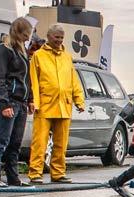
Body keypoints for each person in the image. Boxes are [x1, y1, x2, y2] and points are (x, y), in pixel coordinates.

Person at [28, 24, 85, 184]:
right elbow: (33, 80)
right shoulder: (38, 56)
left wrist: (78, 100)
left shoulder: (67, 57)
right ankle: (35, 173)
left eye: (61, 37)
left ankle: (58, 173)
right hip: (45, 105)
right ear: (49, 36)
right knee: (39, 142)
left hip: (64, 106)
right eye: (56, 37)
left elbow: (74, 81)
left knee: (61, 143)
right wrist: (34, 101)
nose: (59, 40)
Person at [0, 17, 34, 187]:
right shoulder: (4, 50)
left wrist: (30, 99)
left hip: (21, 103)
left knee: (15, 143)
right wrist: (4, 103)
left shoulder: (22, 52)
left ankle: (13, 178)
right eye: (25, 35)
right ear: (17, 33)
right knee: (1, 141)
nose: (28, 38)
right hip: (8, 103)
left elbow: (26, 79)